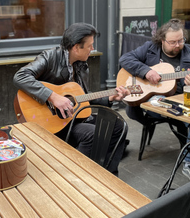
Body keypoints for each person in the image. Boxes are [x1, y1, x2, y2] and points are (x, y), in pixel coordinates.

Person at [13, 22, 130, 174]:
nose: (92, 49)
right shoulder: (50, 57)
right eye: (90, 46)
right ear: (76, 47)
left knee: (119, 125)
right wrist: (53, 97)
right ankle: (76, 176)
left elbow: (82, 98)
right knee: (92, 134)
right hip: (52, 122)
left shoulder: (81, 66)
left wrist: (110, 98)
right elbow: (20, 76)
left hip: (72, 118)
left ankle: (107, 172)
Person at [119, 18, 190, 180]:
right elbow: (125, 59)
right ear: (162, 40)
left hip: (179, 102)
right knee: (157, 99)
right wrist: (146, 71)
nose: (178, 45)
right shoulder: (150, 48)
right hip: (152, 104)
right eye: (172, 42)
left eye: (181, 40)